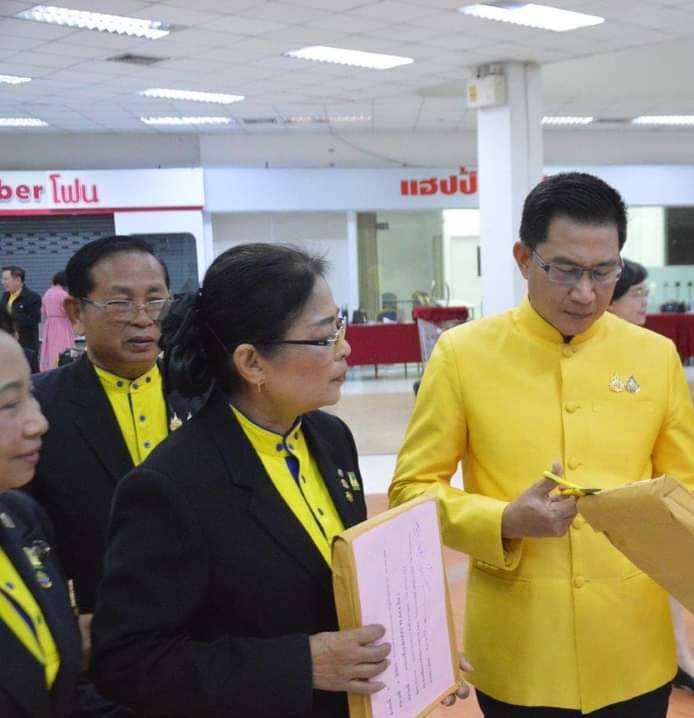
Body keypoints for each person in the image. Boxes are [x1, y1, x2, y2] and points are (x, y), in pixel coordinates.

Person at [389, 173, 694, 716]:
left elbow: (693, 492)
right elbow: (410, 491)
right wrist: (504, 519)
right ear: (523, 258)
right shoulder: (462, 355)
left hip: (633, 645)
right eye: (564, 270)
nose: (586, 293)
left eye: (603, 271)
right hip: (520, 652)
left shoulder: (654, 356)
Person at [90, 244, 470, 717]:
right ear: (252, 363)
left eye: (339, 326)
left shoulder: (330, 438)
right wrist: (301, 664)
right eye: (323, 337)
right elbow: (129, 663)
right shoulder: (171, 485)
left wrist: (420, 652)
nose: (344, 348)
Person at [30, 237, 200, 622]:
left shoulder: (203, 395)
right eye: (120, 302)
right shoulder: (37, 407)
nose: (143, 318)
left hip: (204, 622)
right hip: (99, 623)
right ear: (76, 312)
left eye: (155, 300)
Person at [607, 259, 694, 698]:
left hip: (653, 489)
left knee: (663, 571)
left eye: (645, 294)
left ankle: (679, 655)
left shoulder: (655, 353)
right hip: (606, 494)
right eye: (636, 294)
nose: (644, 302)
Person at [0, 330, 83, 717]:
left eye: (30, 394)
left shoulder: (20, 516)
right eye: (8, 404)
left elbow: (62, 692)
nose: (38, 423)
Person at [39, 272, 76, 372]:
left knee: (50, 348)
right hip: (62, 323)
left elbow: (43, 311)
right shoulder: (63, 295)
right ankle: (63, 367)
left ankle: (50, 368)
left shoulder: (47, 293)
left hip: (49, 323)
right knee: (63, 347)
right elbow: (68, 310)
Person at [1, 266, 42, 353]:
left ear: (18, 280)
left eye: (6, 279)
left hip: (26, 347)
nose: (3, 282)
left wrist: (12, 315)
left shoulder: (33, 298)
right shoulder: (5, 296)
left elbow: (34, 320)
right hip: (7, 346)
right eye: (3, 279)